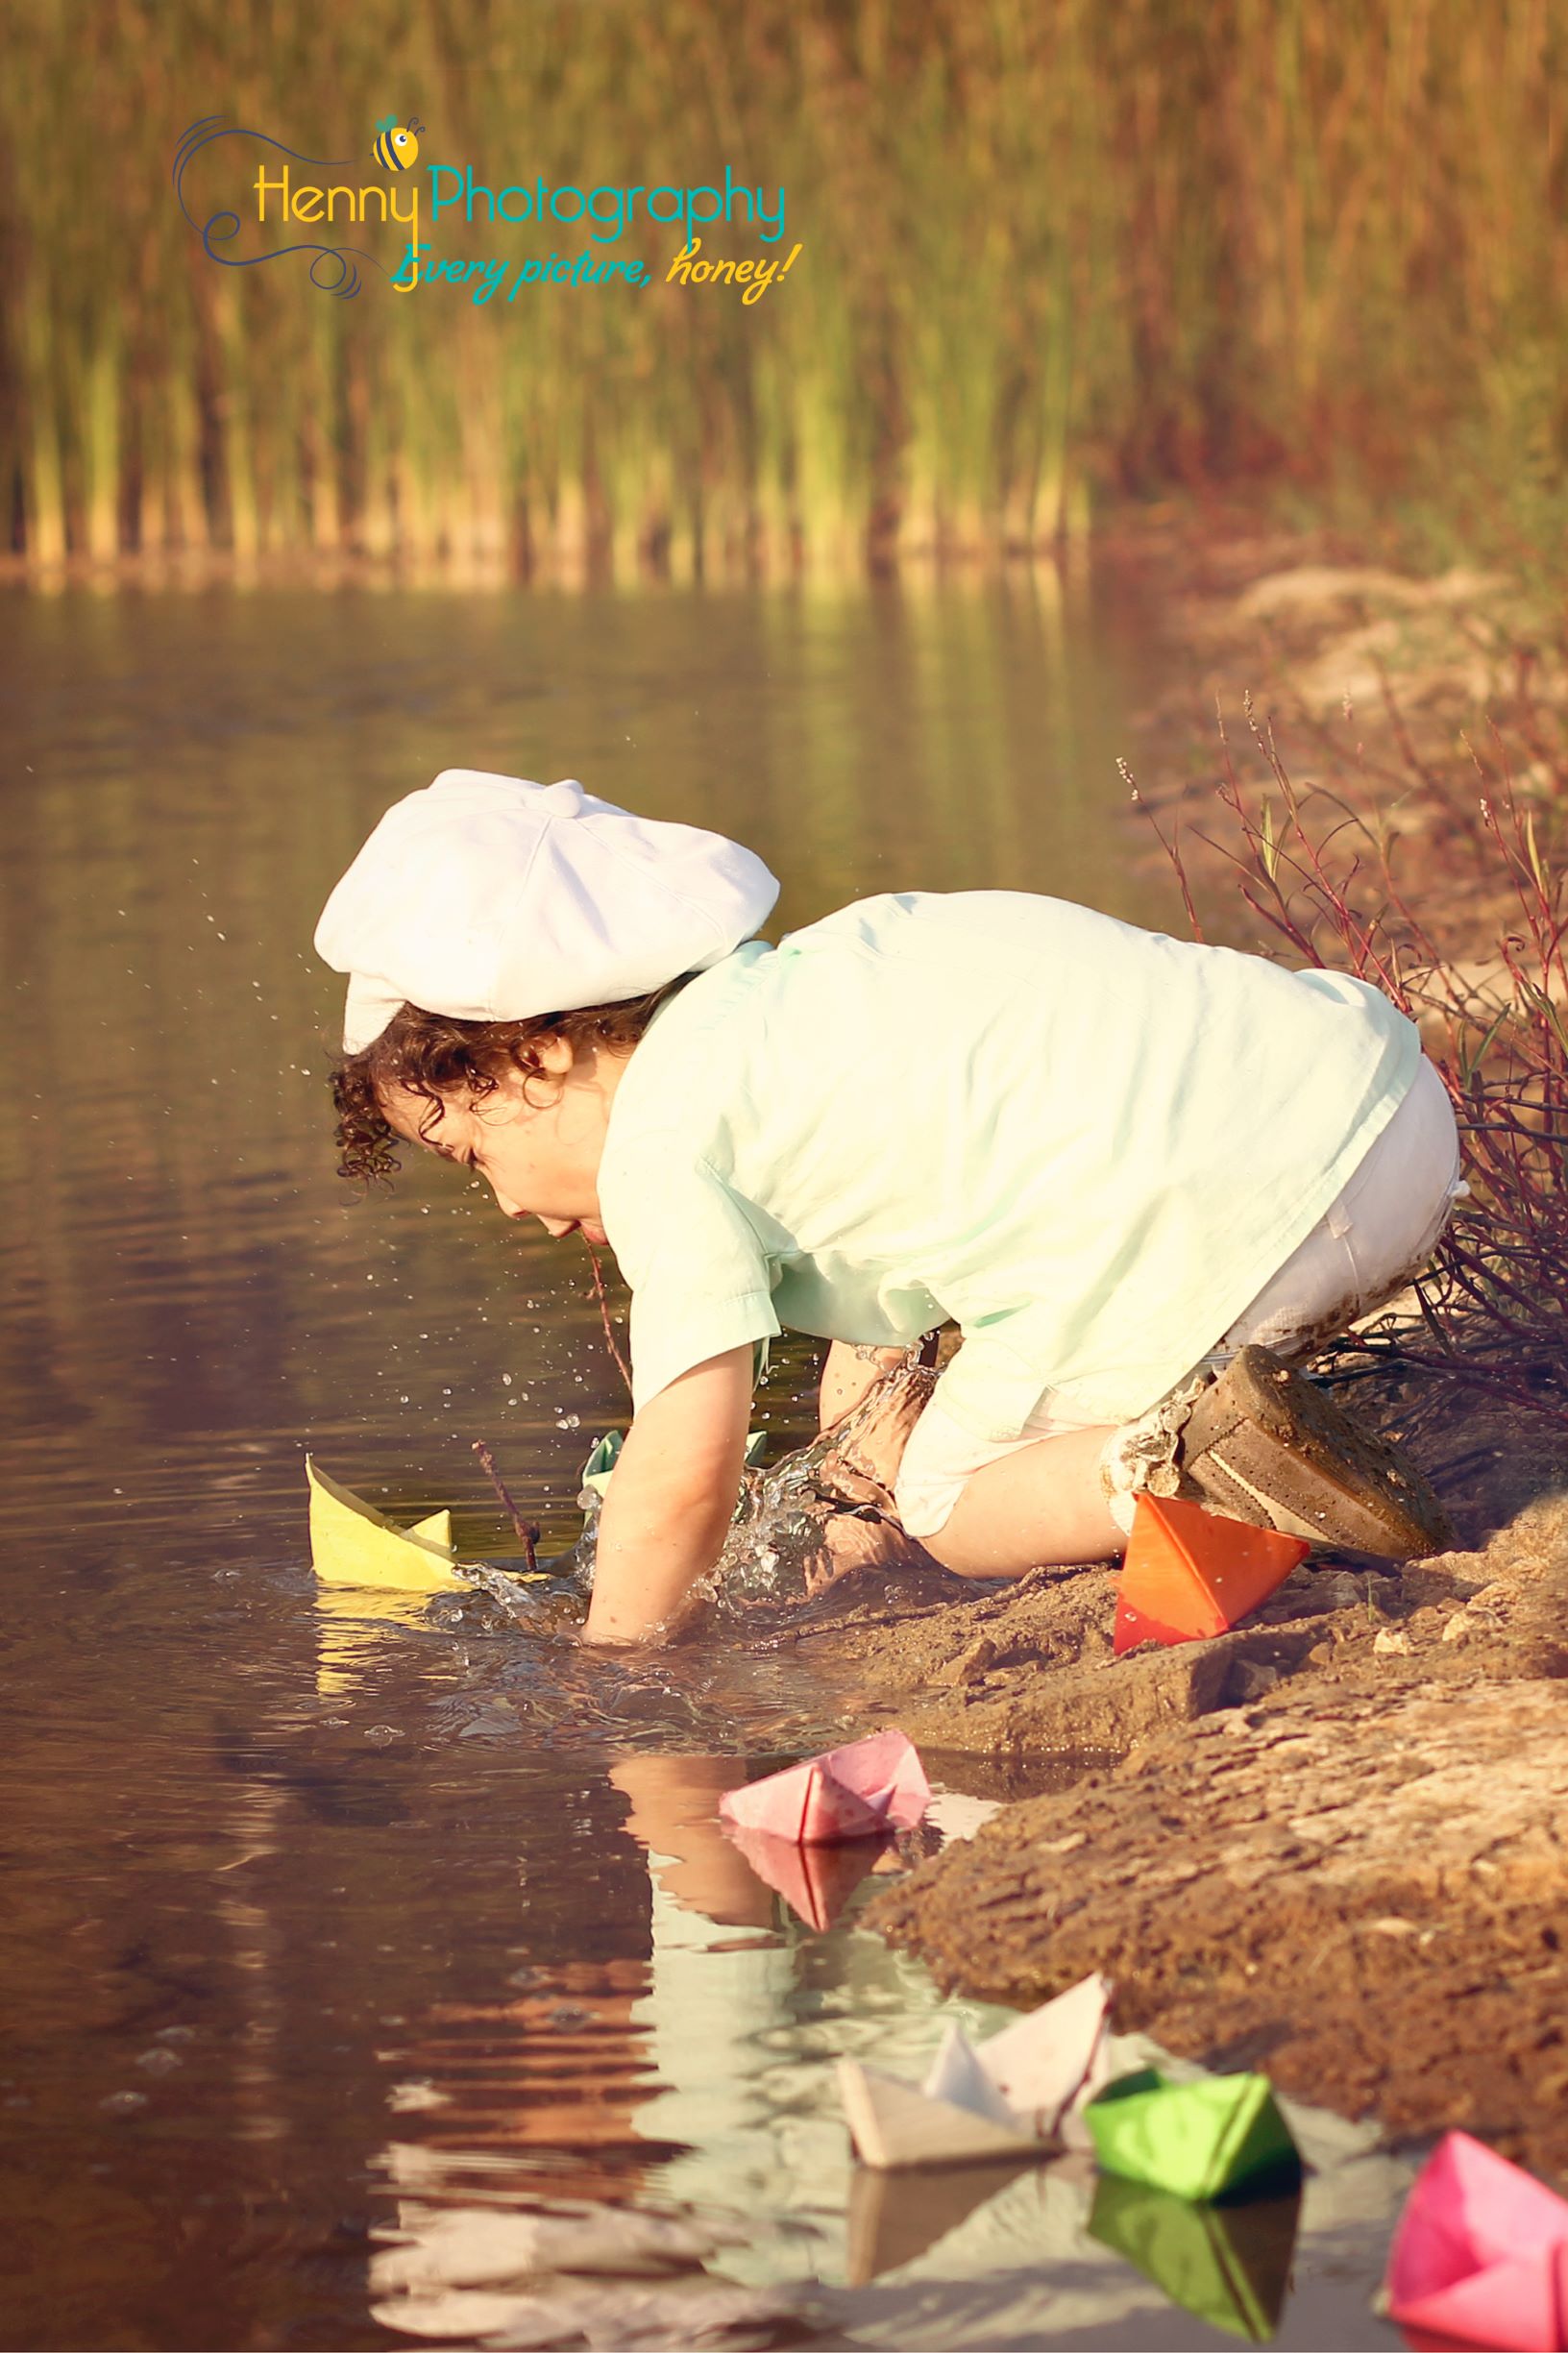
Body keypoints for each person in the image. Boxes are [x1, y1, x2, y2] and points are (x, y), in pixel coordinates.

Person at [316, 769, 1461, 1646]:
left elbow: (683, 1467)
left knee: (949, 1500)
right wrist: (834, 1521)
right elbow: (879, 1344)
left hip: (1234, 1211)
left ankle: (1185, 1466)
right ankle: (1228, 1441)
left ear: (538, 1055)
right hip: (1390, 1109)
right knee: (931, 1425)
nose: (504, 1204)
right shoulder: (815, 984)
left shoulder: (661, 1140)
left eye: (469, 1155)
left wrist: (614, 1660)